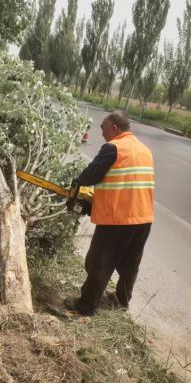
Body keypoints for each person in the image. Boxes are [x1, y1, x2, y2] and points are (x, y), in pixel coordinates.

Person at [64, 110, 154, 316]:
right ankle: (122, 301)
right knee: (129, 265)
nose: (101, 132)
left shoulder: (113, 147)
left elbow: (89, 176)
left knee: (98, 262)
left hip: (118, 220)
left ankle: (86, 306)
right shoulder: (144, 149)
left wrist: (76, 186)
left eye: (103, 128)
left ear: (114, 127)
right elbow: (125, 185)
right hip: (143, 218)